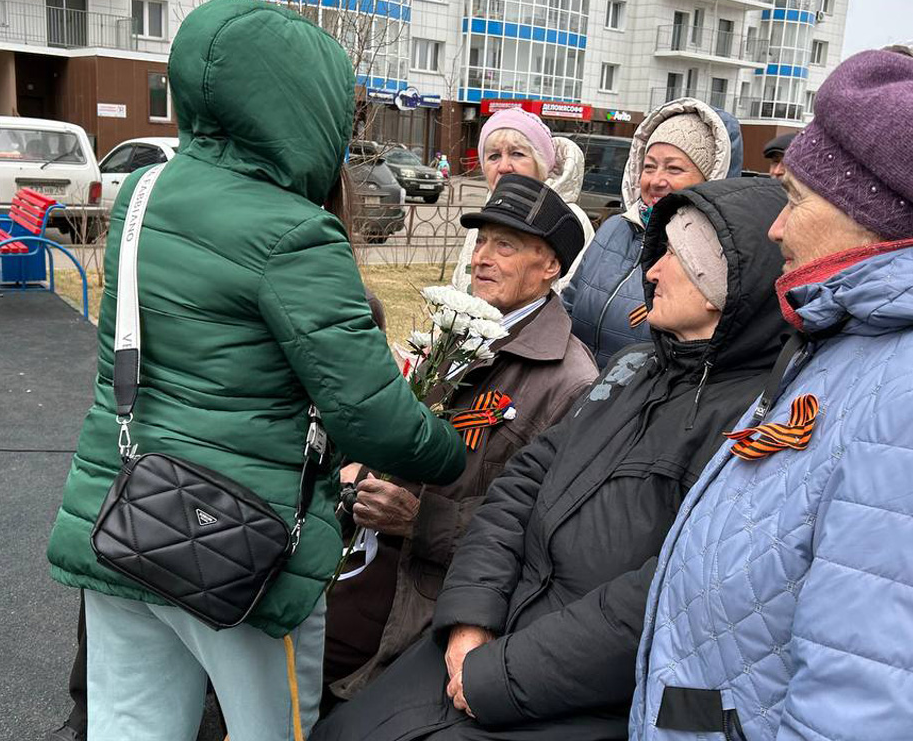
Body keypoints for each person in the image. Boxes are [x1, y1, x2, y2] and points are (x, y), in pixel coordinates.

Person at [630, 50, 913, 741]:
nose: (775, 228)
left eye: (795, 200)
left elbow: (887, 712)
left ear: (872, 216)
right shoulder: (868, 339)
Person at [44, 0, 466, 741]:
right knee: (272, 730)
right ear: (307, 107)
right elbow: (370, 416)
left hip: (125, 511)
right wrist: (452, 454)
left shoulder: (142, 194)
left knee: (130, 727)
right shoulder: (296, 232)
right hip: (243, 544)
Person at [313, 176, 791, 741]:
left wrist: (495, 670)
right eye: (481, 242)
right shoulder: (633, 369)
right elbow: (519, 490)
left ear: (728, 285)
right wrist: (469, 621)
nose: (652, 272)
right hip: (481, 623)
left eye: (679, 259)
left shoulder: (752, 417)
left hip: (556, 679)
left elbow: (664, 589)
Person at [322, 173, 598, 710]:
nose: (481, 258)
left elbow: (540, 531)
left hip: (430, 594)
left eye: (505, 246)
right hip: (366, 556)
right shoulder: (461, 332)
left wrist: (417, 520)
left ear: (551, 266)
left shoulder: (570, 382)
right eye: (481, 241)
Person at [562, 97, 743, 368]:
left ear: (710, 178)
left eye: (674, 168)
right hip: (577, 385)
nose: (656, 180)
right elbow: (568, 305)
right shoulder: (615, 228)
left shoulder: (715, 257)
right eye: (649, 166)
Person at [451, 108, 593, 292]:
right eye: (494, 156)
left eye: (517, 154)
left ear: (542, 163)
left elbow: (568, 298)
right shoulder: (485, 216)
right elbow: (462, 284)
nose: (504, 167)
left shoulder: (569, 219)